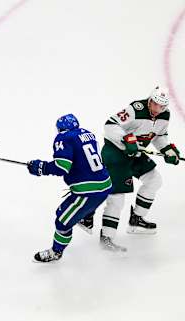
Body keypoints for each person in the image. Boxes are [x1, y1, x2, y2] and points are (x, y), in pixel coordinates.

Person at [96, 86, 180, 252]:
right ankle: (106, 237)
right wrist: (126, 138)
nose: (157, 109)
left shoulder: (165, 116)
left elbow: (159, 136)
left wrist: (168, 150)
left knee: (154, 179)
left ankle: (137, 219)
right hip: (116, 153)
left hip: (135, 154)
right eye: (155, 104)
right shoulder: (136, 109)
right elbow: (110, 125)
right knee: (117, 196)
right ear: (150, 100)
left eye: (161, 106)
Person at [27, 114, 112, 262]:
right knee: (78, 208)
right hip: (105, 185)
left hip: (88, 192)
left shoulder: (64, 137)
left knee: (62, 221)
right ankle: (87, 218)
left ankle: (56, 252)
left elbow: (62, 167)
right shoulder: (87, 134)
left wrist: (42, 167)